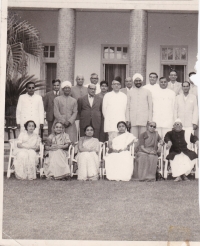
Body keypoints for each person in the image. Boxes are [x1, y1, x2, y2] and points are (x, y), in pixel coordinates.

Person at [126, 73, 152, 139]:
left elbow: (150, 106)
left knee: (143, 138)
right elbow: (128, 106)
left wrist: (149, 119)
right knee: (133, 138)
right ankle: (134, 149)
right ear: (134, 82)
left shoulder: (147, 91)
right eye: (136, 81)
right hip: (133, 119)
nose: (138, 82)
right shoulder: (130, 92)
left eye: (139, 80)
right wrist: (128, 119)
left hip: (144, 119)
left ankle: (142, 149)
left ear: (142, 81)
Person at [174, 81, 198, 148]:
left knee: (188, 141)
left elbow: (196, 110)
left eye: (187, 86)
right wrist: (176, 122)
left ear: (189, 87)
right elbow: (175, 110)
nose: (185, 88)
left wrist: (194, 122)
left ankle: (188, 157)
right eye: (184, 86)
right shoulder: (178, 97)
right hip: (179, 123)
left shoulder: (193, 97)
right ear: (182, 87)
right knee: (179, 141)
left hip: (189, 123)